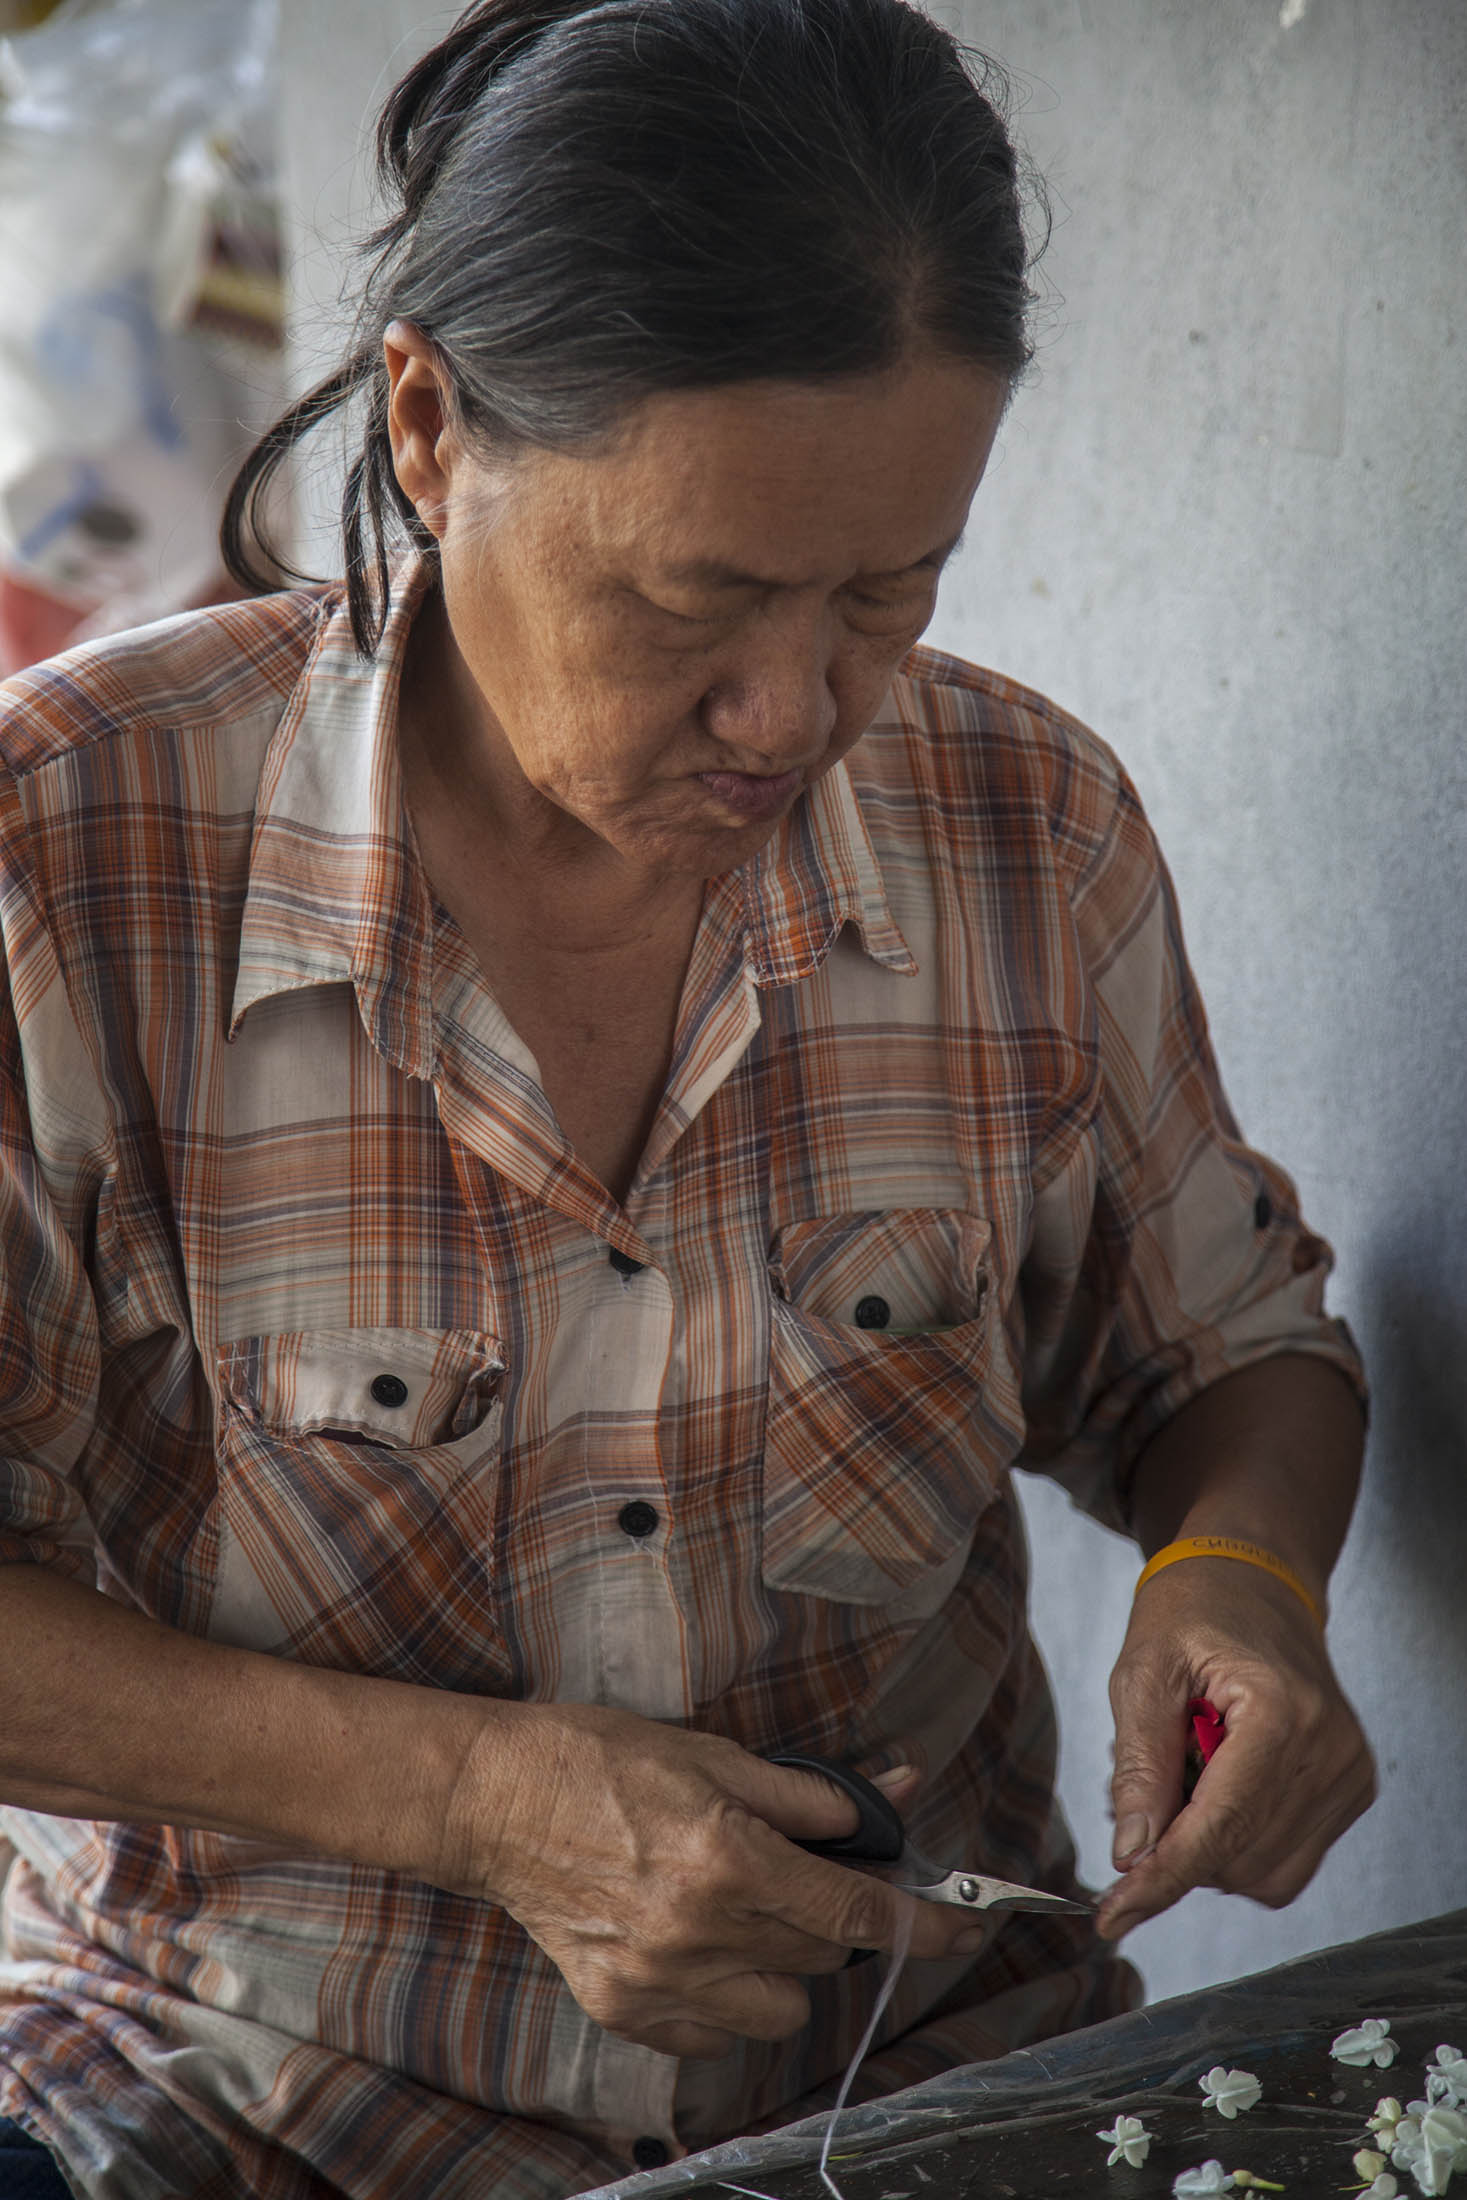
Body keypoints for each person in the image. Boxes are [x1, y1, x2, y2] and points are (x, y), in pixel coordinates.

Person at [0, 0, 1375, 2194]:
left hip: (914, 2074)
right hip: (240, 2096)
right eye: (693, 597)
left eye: (882, 593)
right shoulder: (64, 865)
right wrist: (468, 1798)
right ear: (431, 426)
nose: (790, 707)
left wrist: (1239, 1578)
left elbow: (1230, 1351)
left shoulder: (1025, 829)